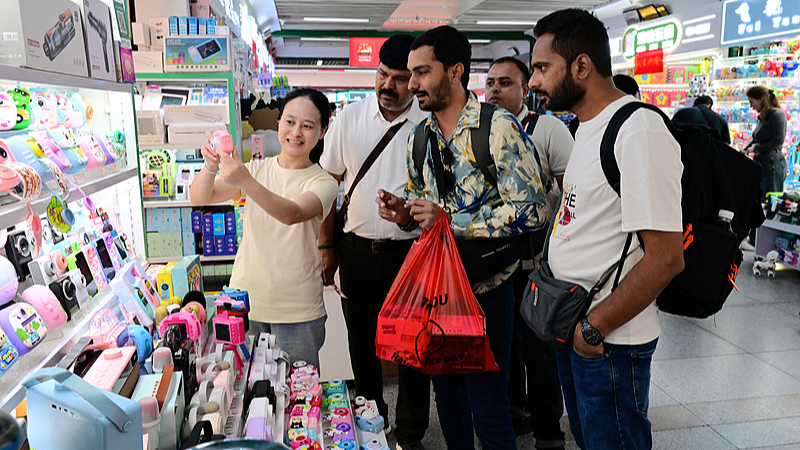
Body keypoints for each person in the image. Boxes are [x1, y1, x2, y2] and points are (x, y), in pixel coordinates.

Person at [377, 25, 547, 450]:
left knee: (489, 404)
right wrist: (405, 215)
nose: (412, 83)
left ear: (455, 72)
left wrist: (450, 220)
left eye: (421, 72)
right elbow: (424, 212)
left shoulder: (498, 128)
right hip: (438, 292)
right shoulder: (419, 138)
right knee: (448, 400)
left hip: (486, 287)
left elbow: (533, 209)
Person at [529, 9, 684, 450]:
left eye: (542, 68)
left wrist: (592, 331)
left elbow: (666, 257)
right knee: (588, 439)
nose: (534, 82)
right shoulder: (584, 127)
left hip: (611, 342)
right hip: (575, 326)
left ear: (582, 65)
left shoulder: (637, 129)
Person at [317, 34, 431, 450]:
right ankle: (370, 423)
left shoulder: (428, 122)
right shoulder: (349, 118)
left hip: (411, 255)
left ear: (416, 80)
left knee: (413, 349)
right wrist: (326, 248)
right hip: (357, 252)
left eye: (401, 79)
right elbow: (328, 187)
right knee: (361, 343)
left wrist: (408, 212)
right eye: (383, 74)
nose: (389, 85)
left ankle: (411, 431)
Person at [189, 88, 338, 369]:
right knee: (243, 395)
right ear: (278, 123)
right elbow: (200, 197)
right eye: (290, 122)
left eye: (307, 126)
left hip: (298, 312)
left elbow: (292, 213)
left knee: (299, 399)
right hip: (244, 303)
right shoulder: (257, 170)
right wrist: (210, 166)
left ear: (321, 132)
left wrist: (244, 180)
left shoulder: (323, 182)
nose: (296, 132)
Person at [485, 56, 571, 449]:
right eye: (490, 83)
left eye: (505, 83)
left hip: (537, 263)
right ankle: (514, 412)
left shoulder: (548, 128)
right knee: (504, 348)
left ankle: (548, 430)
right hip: (494, 261)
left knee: (538, 350)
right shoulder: (479, 129)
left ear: (525, 89)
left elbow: (572, 190)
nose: (495, 90)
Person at [745, 85, 788, 195]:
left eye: (752, 102)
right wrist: (744, 150)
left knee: (770, 198)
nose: (751, 106)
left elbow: (778, 140)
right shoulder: (763, 117)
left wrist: (756, 148)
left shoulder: (777, 115)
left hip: (772, 163)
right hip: (761, 162)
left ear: (761, 99)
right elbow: (756, 139)